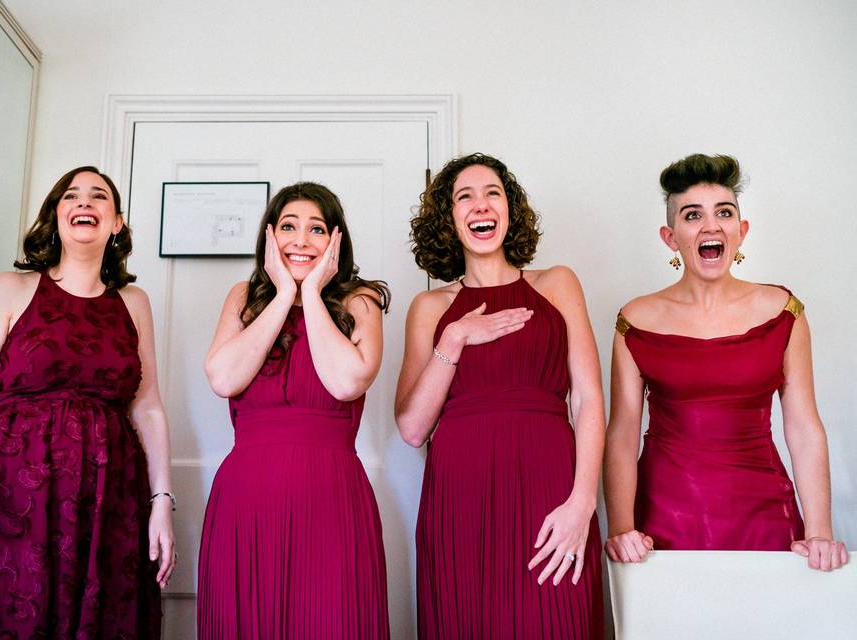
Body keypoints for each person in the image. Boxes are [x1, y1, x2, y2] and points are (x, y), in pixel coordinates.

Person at [0, 166, 174, 639]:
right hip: (12, 492)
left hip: (108, 498)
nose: (84, 202)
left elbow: (148, 406)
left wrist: (161, 502)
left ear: (117, 222)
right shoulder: (10, 289)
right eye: (71, 196)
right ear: (56, 216)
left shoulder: (133, 302)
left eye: (98, 196)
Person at [603, 153, 849, 571]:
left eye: (724, 212)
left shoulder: (783, 310)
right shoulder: (635, 319)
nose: (711, 225)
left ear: (742, 230)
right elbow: (622, 432)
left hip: (763, 512)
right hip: (663, 519)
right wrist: (622, 527)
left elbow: (804, 426)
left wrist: (820, 531)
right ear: (670, 236)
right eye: (692, 215)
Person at [396, 153, 605, 639]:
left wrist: (582, 504)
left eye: (492, 192)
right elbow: (411, 428)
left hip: (552, 493)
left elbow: (590, 401)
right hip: (460, 505)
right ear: (448, 219)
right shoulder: (431, 308)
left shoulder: (557, 284)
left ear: (509, 210)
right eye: (463, 197)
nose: (479, 205)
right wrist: (455, 338)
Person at [199, 182, 391, 639]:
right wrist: (285, 294)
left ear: (335, 242)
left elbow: (346, 381)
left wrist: (313, 296)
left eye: (316, 229)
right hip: (246, 503)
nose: (301, 240)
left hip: (331, 499)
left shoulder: (359, 301)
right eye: (288, 227)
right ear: (269, 237)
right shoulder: (244, 298)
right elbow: (223, 378)